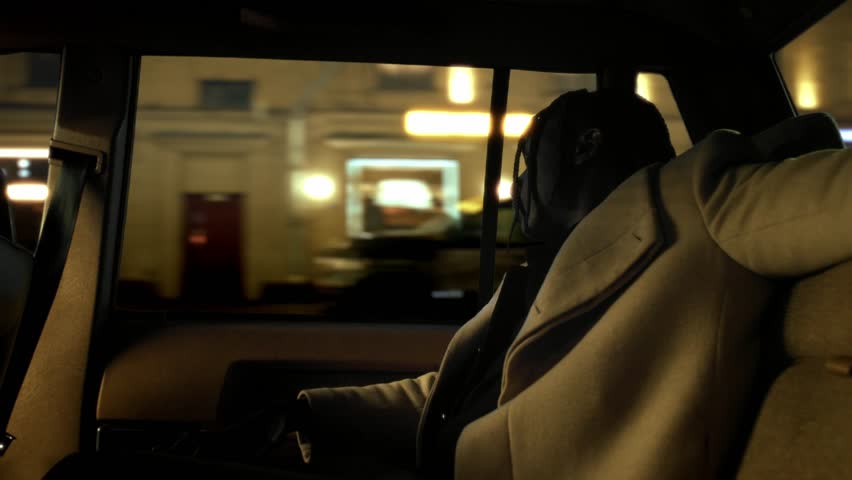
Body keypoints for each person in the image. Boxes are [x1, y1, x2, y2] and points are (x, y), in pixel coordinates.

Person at [48, 88, 852, 479]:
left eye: (527, 160)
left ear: (585, 143)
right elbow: (454, 396)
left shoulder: (697, 196)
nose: (513, 189)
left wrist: (782, 139)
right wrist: (303, 411)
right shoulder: (546, 270)